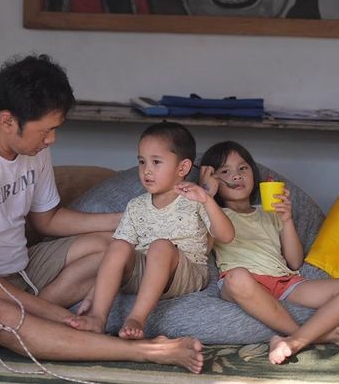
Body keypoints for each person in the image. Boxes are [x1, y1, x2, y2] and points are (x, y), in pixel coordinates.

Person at [0, 55, 204, 373]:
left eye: (55, 129)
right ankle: (143, 350)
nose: (51, 139)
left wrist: (131, 220)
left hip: (19, 269)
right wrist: (52, 312)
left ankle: (52, 325)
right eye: (45, 131)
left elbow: (48, 220)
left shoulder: (32, 148)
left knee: (114, 244)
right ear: (7, 121)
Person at [199, 141, 339, 365]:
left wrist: (286, 219)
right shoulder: (215, 213)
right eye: (225, 171)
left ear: (254, 173)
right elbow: (202, 250)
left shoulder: (268, 212)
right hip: (243, 283)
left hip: (284, 282)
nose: (236, 175)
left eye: (243, 168)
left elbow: (294, 262)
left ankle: (295, 340)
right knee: (237, 277)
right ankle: (307, 336)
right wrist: (206, 195)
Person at [71, 123, 235, 339]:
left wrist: (207, 199)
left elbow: (226, 236)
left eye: (156, 162)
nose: (146, 170)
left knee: (161, 246)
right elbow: (115, 260)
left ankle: (137, 317)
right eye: (142, 162)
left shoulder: (195, 198)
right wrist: (94, 293)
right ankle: (98, 317)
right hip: (145, 271)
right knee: (118, 245)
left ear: (182, 168)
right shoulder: (136, 205)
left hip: (186, 272)